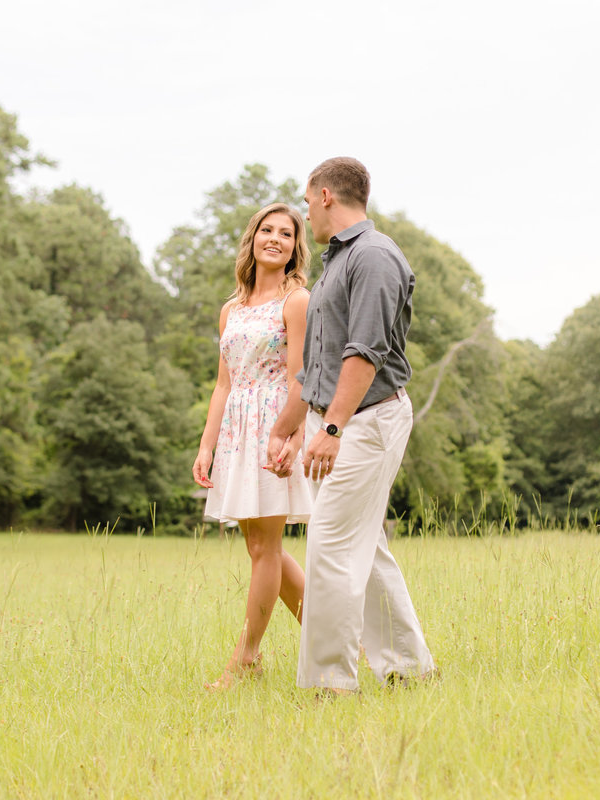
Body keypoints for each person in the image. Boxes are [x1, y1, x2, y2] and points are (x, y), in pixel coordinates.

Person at [267, 157, 436, 694]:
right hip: (338, 420)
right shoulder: (336, 261)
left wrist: (332, 429)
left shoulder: (375, 257)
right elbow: (317, 361)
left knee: (331, 548)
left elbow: (365, 352)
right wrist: (294, 426)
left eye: (305, 200)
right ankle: (409, 669)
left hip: (368, 420)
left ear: (322, 196)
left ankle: (328, 685)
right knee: (365, 548)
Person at [193, 202, 313, 690]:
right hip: (236, 432)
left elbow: (299, 376)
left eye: (287, 234)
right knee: (260, 547)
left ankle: (246, 658)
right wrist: (207, 447)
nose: (276, 239)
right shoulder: (231, 309)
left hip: (272, 427)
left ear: (294, 248)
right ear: (253, 238)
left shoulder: (297, 301)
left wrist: (291, 435)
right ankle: (342, 638)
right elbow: (223, 384)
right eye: (268, 230)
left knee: (266, 547)